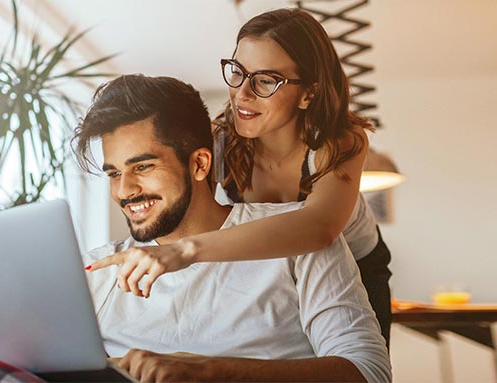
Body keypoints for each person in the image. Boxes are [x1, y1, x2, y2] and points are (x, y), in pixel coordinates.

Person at [87, 8, 395, 342]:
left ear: (308, 93)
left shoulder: (336, 141)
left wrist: (185, 251)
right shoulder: (222, 139)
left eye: (265, 80)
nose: (242, 94)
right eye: (238, 72)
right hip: (282, 262)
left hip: (359, 264)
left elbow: (319, 229)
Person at [72, 74, 389, 383]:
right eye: (114, 173)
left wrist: (211, 373)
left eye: (142, 166)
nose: (124, 190)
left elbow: (368, 374)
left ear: (199, 164)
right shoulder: (93, 272)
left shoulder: (297, 241)